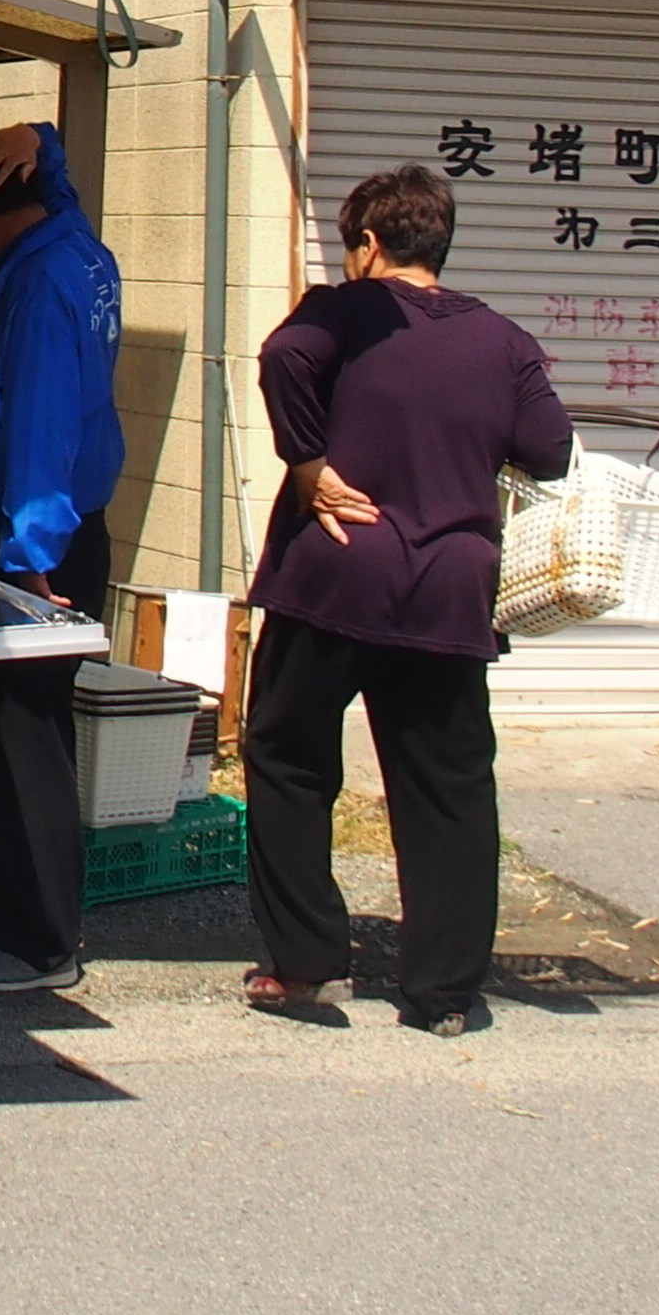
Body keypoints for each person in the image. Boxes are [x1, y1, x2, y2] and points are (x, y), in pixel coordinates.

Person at [240, 162, 574, 1037]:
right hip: (449, 587)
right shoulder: (504, 341)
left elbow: (281, 357)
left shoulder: (342, 313)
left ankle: (305, 961)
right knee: (449, 785)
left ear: (370, 245)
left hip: (337, 569)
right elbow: (550, 449)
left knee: (288, 754)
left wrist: (308, 464)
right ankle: (444, 992)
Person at [0, 121, 124, 994]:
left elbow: (42, 424)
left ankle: (44, 938)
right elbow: (58, 182)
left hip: (40, 538)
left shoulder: (41, 285)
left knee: (28, 732)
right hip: (51, 529)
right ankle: (6, 903)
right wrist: (42, 139)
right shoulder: (76, 245)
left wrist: (31, 559)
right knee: (3, 730)